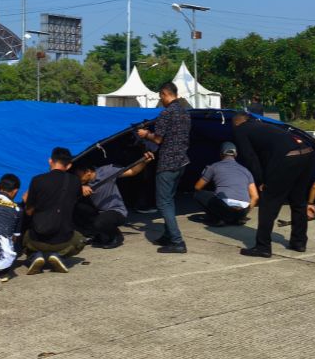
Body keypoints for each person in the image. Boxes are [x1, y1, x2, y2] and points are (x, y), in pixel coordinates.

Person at [231, 112, 315, 257]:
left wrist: (261, 181)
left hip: (287, 159)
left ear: (237, 123)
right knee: (298, 202)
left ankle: (262, 247)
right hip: (306, 154)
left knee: (268, 204)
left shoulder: (240, 130)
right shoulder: (264, 126)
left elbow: (250, 157)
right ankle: (299, 242)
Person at [136, 82, 192, 254]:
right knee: (170, 200)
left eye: (161, 96)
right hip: (182, 161)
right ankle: (168, 236)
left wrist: (145, 134)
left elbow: (158, 139)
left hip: (168, 163)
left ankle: (177, 241)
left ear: (165, 94)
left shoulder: (166, 113)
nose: (160, 100)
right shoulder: (185, 112)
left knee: (163, 202)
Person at [20, 147, 87, 274]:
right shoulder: (75, 181)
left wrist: (25, 201)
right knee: (81, 239)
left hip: (36, 239)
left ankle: (35, 255)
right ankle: (58, 255)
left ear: (50, 161)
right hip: (63, 240)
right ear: (69, 166)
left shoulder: (37, 180)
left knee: (24, 233)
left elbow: (29, 212)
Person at [73, 152, 154, 249]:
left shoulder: (107, 171)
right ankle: (97, 234)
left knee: (100, 222)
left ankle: (116, 236)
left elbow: (132, 171)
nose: (77, 178)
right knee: (77, 209)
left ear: (88, 172)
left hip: (116, 211)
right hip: (98, 211)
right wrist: (80, 187)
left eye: (79, 175)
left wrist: (144, 162)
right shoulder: (80, 183)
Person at [193, 141, 259, 226]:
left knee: (198, 194)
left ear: (221, 154)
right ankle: (238, 218)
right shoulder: (246, 171)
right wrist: (244, 213)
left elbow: (197, 187)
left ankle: (218, 219)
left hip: (224, 208)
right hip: (242, 211)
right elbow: (255, 197)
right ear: (236, 154)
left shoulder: (214, 167)